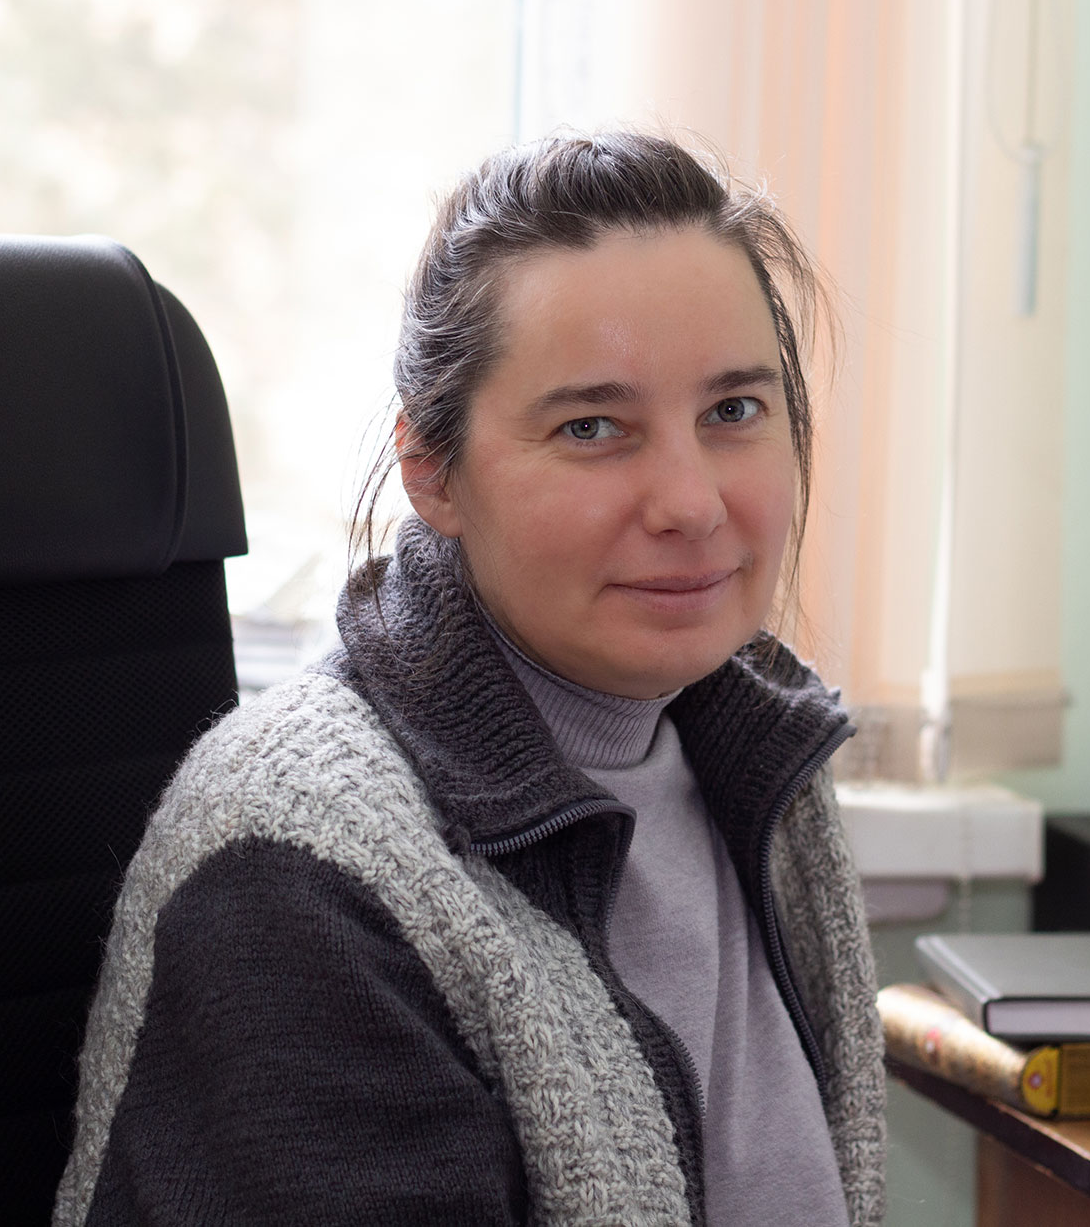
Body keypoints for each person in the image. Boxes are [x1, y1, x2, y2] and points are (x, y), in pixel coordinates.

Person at [54, 131, 886, 1226]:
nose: (691, 503)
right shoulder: (296, 865)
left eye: (732, 411)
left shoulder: (763, 766)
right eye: (593, 427)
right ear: (432, 472)